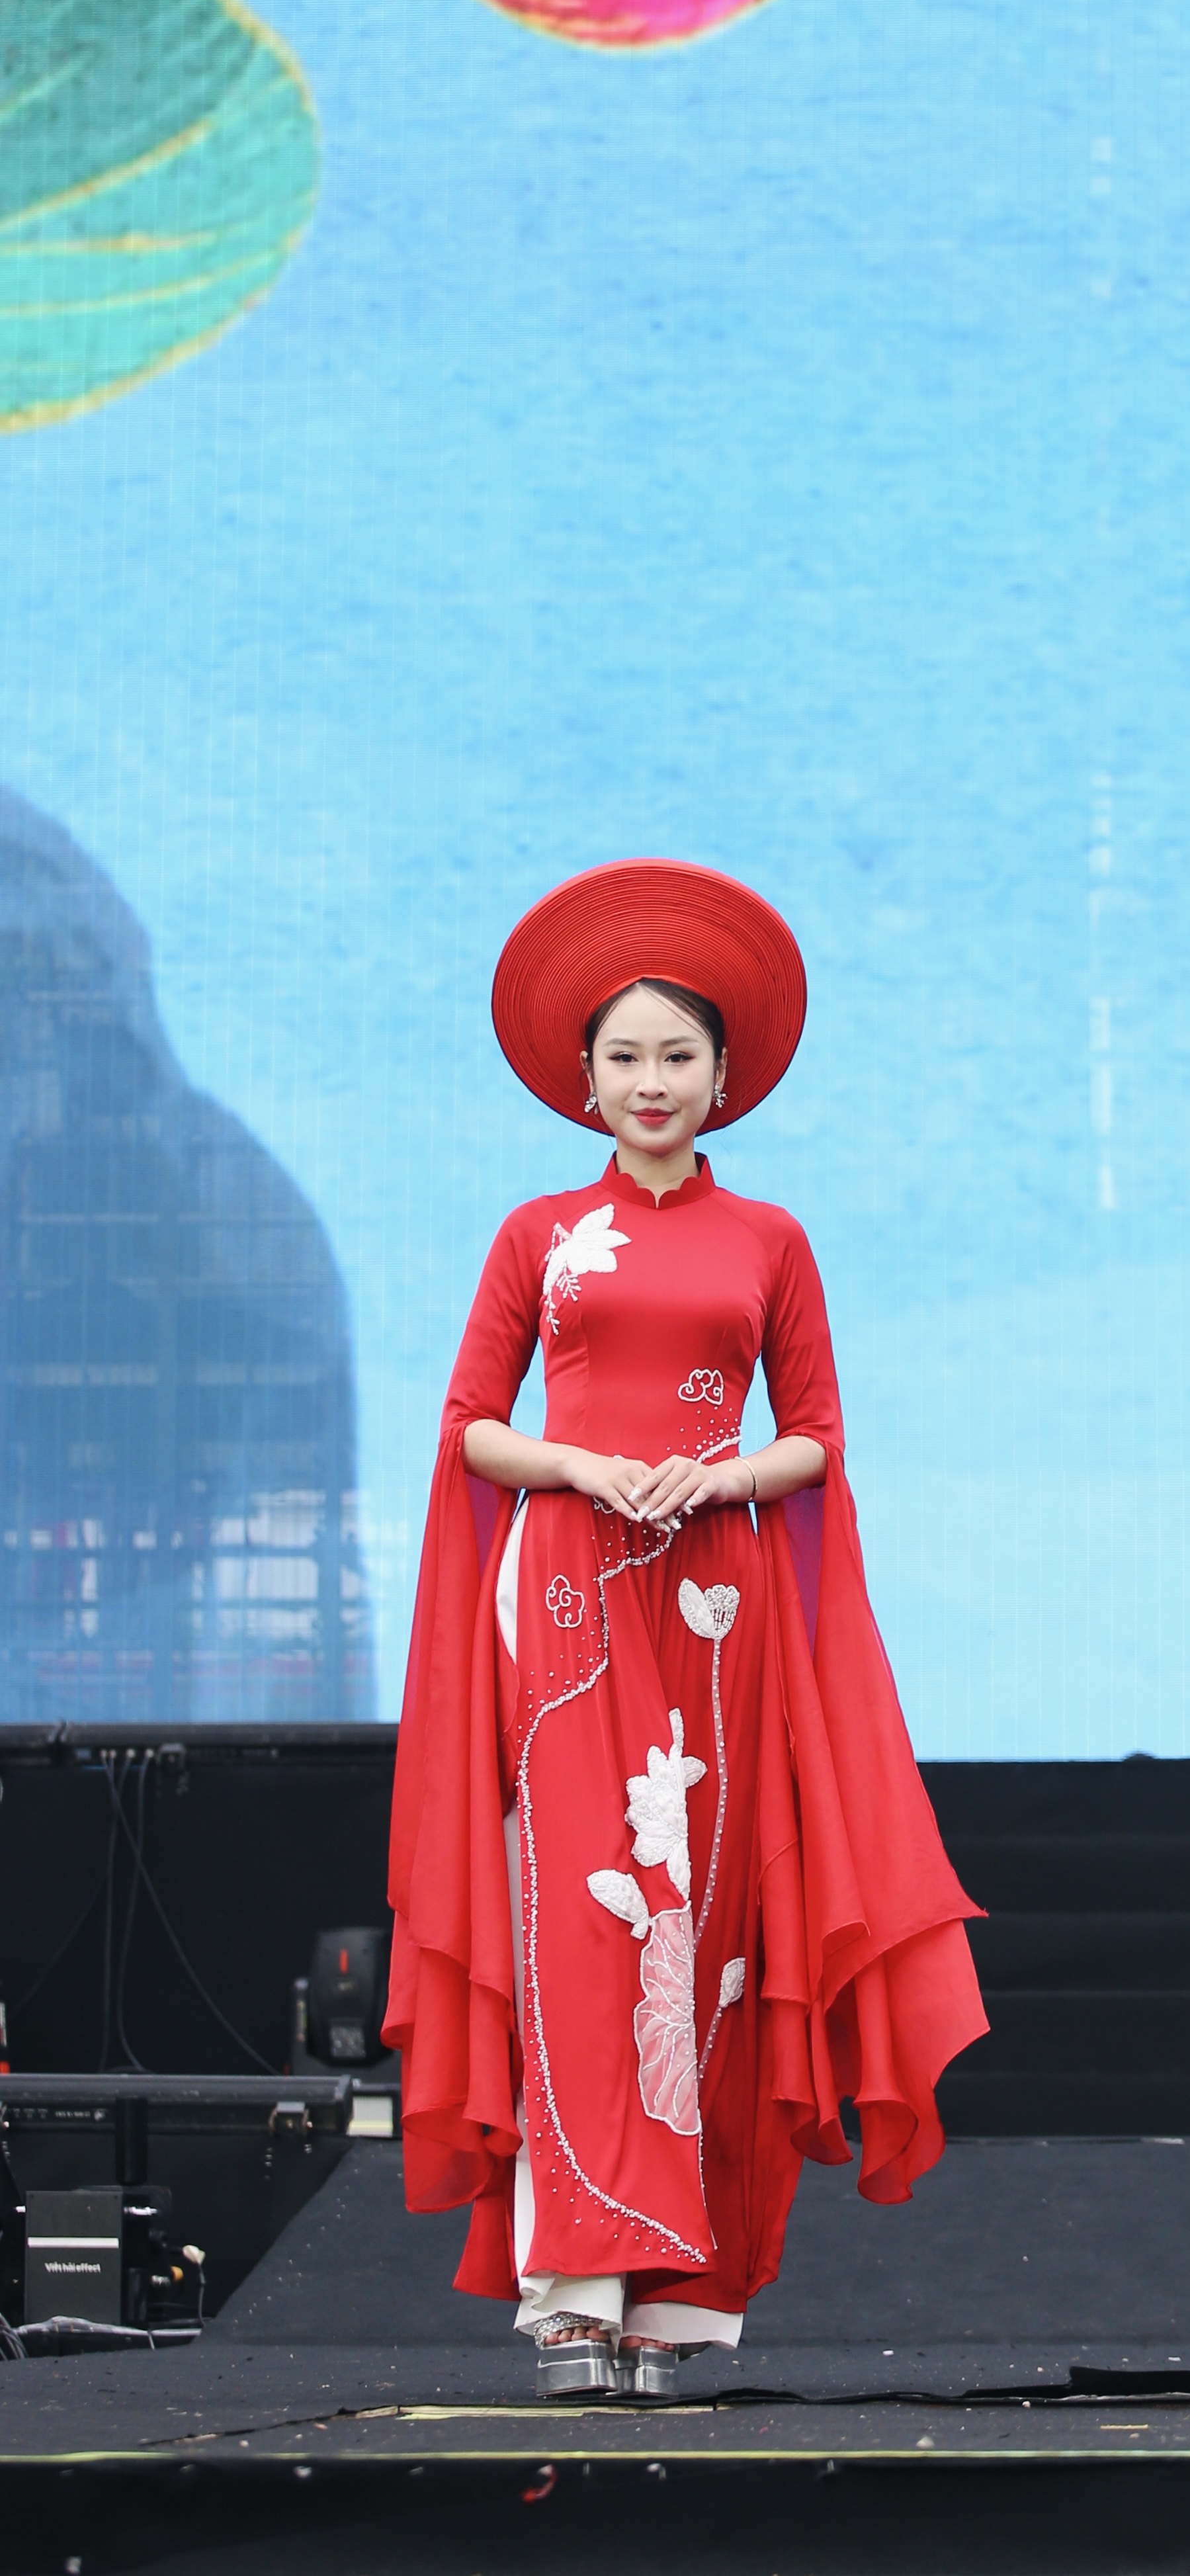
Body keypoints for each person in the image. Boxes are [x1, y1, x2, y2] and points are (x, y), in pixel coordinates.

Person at [384, 860, 985, 2397]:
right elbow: (468, 1427)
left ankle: (678, 2304)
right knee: (583, 1924)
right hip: (570, 1594)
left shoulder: (771, 1240)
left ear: (724, 1079)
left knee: (706, 1938)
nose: (651, 1081)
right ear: (582, 1080)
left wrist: (715, 1477)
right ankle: (574, 2289)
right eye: (625, 1057)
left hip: (718, 1601)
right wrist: (582, 1466)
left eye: (677, 1056)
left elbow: (818, 1440)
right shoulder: (537, 1236)